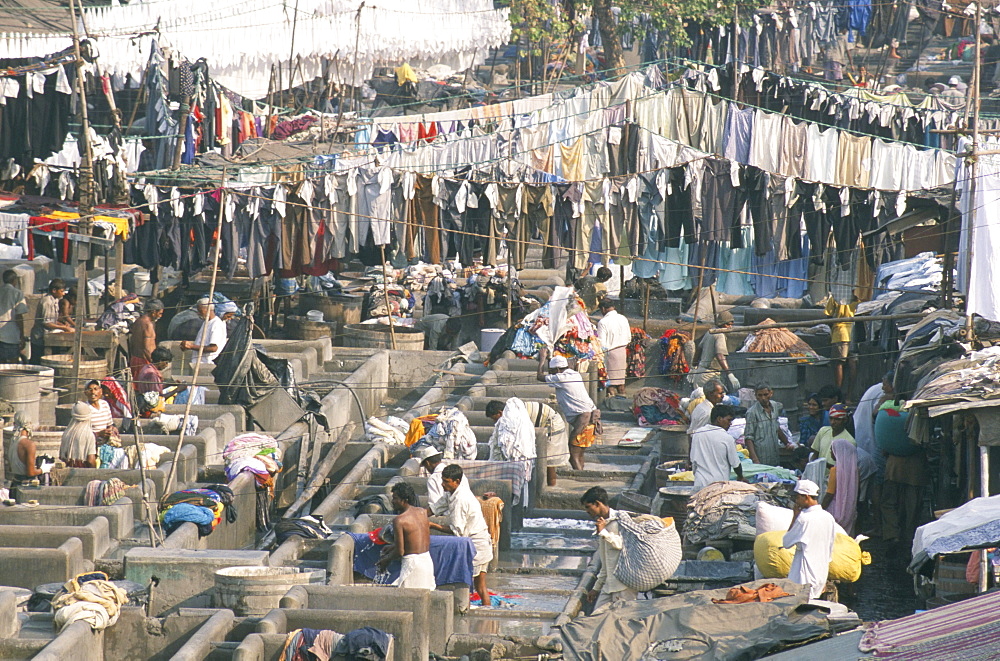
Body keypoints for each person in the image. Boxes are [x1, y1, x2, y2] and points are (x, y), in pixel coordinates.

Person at [428, 464, 493, 606]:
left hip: (477, 544)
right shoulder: (451, 493)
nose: (442, 484)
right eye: (443, 480)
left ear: (456, 481)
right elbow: (434, 508)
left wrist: (432, 525)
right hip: (478, 541)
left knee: (473, 586)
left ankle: (479, 612)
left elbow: (457, 531)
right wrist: (418, 515)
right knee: (480, 587)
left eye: (446, 481)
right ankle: (486, 613)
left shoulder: (461, 499)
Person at [536, 347, 599, 470]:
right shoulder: (574, 374)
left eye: (552, 371)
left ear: (558, 370)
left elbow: (539, 376)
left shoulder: (561, 378)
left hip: (584, 418)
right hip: (592, 416)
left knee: (572, 453)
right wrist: (550, 358)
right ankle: (581, 473)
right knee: (580, 451)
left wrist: (542, 359)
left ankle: (579, 475)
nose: (551, 374)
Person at [486, 397, 569, 487]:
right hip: (546, 421)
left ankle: (551, 486)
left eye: (494, 418)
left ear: (500, 412)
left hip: (552, 424)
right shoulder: (512, 410)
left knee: (549, 459)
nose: (495, 421)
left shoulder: (512, 414)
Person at [877, 399, 925, 546]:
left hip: (893, 468)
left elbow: (884, 447)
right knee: (912, 505)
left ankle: (893, 534)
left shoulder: (889, 416)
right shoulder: (919, 416)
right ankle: (909, 537)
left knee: (889, 503)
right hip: (915, 470)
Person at [581, 486, 634, 611]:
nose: (587, 511)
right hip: (609, 585)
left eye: (588, 507)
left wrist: (604, 532)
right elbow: (605, 563)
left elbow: (622, 545)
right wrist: (596, 589)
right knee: (596, 617)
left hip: (624, 585)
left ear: (598, 504)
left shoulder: (620, 519)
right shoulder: (603, 523)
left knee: (624, 620)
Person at [782, 479, 836, 600]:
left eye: (797, 497)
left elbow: (785, 542)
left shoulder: (803, 519)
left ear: (806, 497)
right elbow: (830, 546)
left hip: (803, 574)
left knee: (800, 607)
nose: (796, 501)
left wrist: (795, 517)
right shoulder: (828, 517)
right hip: (820, 573)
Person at [376, 482, 435, 590]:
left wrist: (386, 560)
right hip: (427, 561)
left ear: (405, 500)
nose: (392, 502)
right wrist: (393, 546)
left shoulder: (400, 520)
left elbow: (400, 551)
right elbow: (414, 538)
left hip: (412, 564)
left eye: (395, 498)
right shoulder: (422, 512)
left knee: (409, 599)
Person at [690, 404, 744, 491]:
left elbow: (693, 460)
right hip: (718, 486)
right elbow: (736, 464)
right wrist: (741, 477)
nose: (730, 424)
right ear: (719, 419)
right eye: (729, 420)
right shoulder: (727, 438)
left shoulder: (697, 433)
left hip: (700, 483)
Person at [412, 444, 468, 516]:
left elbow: (434, 506)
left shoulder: (433, 479)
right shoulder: (458, 472)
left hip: (450, 516)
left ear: (427, 463)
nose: (443, 484)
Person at [742, 383, 789, 466]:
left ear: (771, 393)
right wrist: (755, 459)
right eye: (759, 395)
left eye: (765, 394)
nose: (763, 398)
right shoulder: (752, 413)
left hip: (774, 455)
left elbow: (776, 428)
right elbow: (748, 438)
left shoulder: (774, 406)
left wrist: (787, 443)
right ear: (756, 396)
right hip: (761, 458)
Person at [822, 437, 859, 535]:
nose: (830, 452)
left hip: (835, 508)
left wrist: (820, 508)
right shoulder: (854, 470)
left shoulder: (835, 471)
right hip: (849, 509)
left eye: (832, 450)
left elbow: (830, 494)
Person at [30, 278, 73, 363]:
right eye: (61, 291)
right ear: (54, 290)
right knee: (38, 362)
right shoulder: (47, 302)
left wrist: (62, 324)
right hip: (40, 337)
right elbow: (46, 323)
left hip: (49, 337)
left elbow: (52, 319)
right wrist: (64, 328)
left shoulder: (56, 300)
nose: (63, 293)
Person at [180, 297, 227, 371]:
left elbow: (213, 348)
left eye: (200, 311)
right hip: (199, 363)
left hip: (207, 365)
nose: (198, 313)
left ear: (208, 310)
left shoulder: (216, 324)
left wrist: (191, 346)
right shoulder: (206, 322)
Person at [689, 312, 734, 389]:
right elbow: (720, 355)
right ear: (721, 324)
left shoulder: (710, 331)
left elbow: (699, 348)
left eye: (731, 324)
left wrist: (694, 366)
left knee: (699, 399)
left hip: (700, 373)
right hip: (709, 375)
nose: (730, 327)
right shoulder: (720, 335)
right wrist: (729, 373)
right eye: (728, 325)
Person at [596, 298, 630, 398]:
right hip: (622, 352)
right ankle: (623, 404)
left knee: (610, 384)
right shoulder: (623, 318)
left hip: (610, 354)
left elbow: (602, 344)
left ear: (603, 309)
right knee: (621, 383)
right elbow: (628, 337)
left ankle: (612, 404)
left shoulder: (603, 322)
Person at [824, 295, 857, 397]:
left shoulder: (835, 297)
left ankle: (837, 394)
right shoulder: (857, 296)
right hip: (854, 331)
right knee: (853, 363)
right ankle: (849, 395)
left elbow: (828, 315)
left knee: (839, 363)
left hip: (840, 332)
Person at [7, 411, 44, 488]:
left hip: (14, 484)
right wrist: (43, 469)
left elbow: (11, 468)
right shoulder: (29, 445)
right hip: (26, 487)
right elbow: (30, 472)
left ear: (15, 424)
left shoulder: (12, 442)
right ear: (29, 424)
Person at [129, 299, 164, 378]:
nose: (160, 316)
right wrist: (154, 366)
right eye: (160, 313)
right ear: (153, 312)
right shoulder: (148, 325)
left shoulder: (138, 321)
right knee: (148, 387)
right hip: (144, 361)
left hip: (135, 359)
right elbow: (146, 349)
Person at [60, 401, 98, 468]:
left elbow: (62, 456)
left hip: (67, 470)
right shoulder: (89, 435)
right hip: (82, 471)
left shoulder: (67, 433)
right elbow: (90, 460)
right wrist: (94, 473)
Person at [0, 270, 27, 363]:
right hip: (10, 336)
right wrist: (22, 336)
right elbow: (19, 316)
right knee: (13, 365)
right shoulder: (17, 293)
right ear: (14, 280)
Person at [82, 379, 116, 443]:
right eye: (90, 390)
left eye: (95, 389)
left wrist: (111, 430)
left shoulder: (104, 404)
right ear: (85, 392)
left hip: (105, 442)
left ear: (100, 391)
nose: (93, 392)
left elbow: (109, 424)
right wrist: (98, 434)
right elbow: (80, 433)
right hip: (90, 443)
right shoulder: (84, 408)